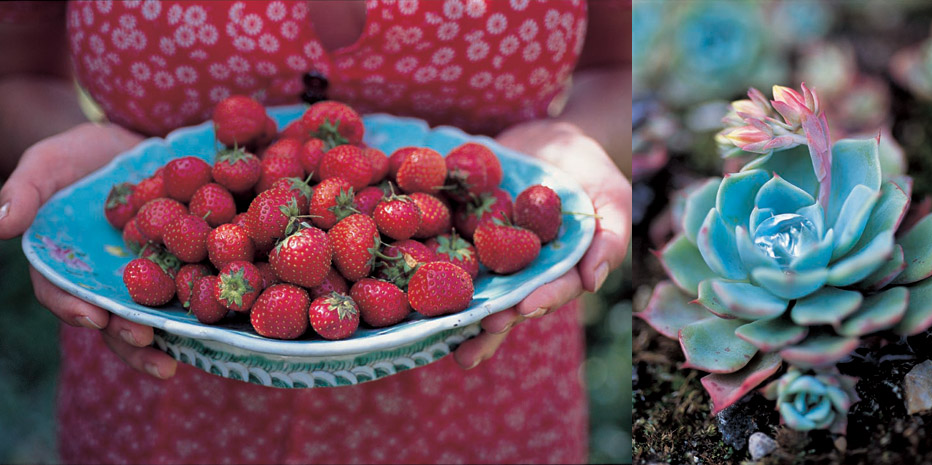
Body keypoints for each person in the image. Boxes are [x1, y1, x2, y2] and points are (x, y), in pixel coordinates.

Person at [0, 1, 631, 463]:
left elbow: (618, 67)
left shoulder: (377, 223)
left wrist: (569, 148)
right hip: (162, 401)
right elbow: (18, 73)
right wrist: (89, 183)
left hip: (485, 394)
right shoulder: (245, 226)